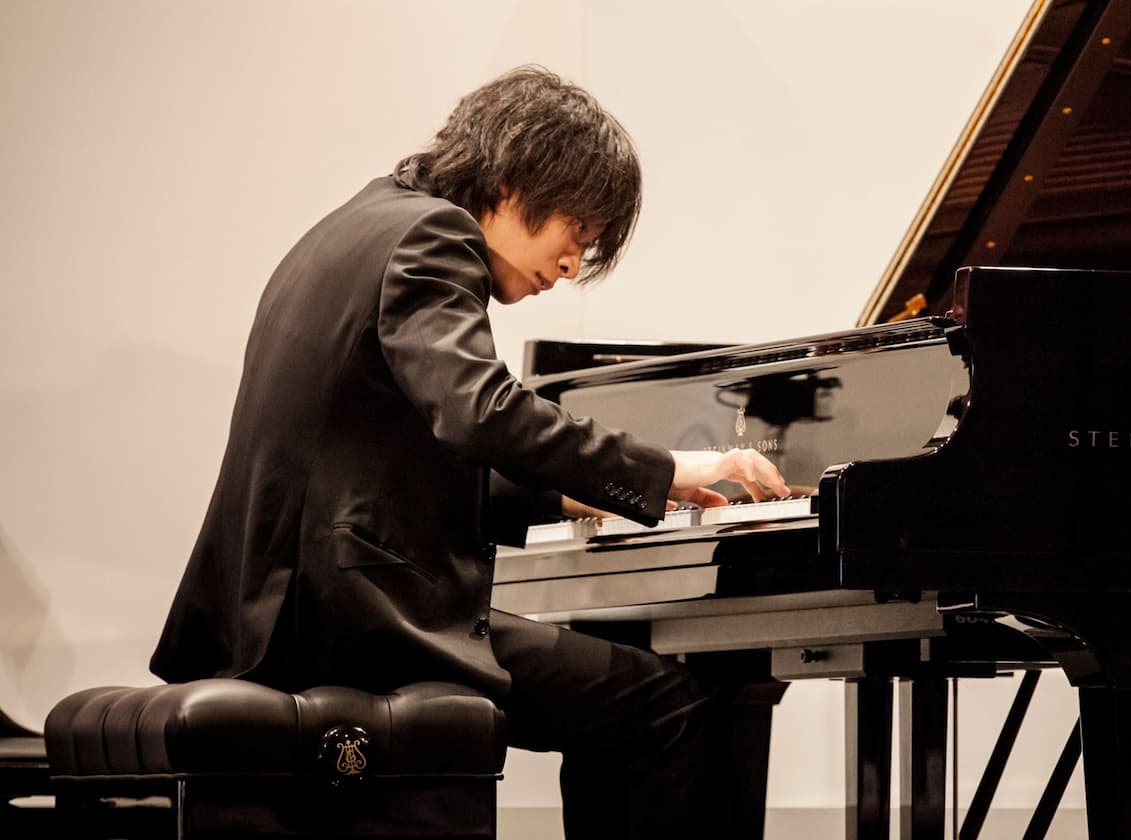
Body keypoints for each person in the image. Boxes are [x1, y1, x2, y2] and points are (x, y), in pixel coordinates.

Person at [149, 66, 788, 837]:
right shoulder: (434, 235)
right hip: (352, 624)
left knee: (634, 695)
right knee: (670, 705)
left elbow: (396, 470)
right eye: (576, 237)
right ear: (521, 183)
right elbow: (482, 411)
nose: (569, 270)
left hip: (284, 611)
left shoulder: (351, 226)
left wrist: (570, 496)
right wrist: (672, 471)